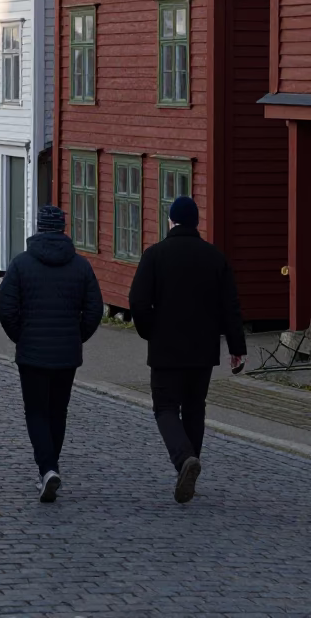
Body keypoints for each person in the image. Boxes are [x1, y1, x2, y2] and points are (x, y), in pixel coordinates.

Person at [129, 195, 247, 504]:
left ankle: (184, 461)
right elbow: (230, 307)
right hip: (203, 350)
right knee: (195, 407)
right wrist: (237, 348)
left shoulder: (155, 255)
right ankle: (190, 463)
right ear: (196, 223)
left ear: (171, 221)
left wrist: (149, 330)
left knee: (166, 407)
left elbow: (138, 301)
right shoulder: (215, 258)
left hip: (166, 349)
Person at [0, 205, 103, 503]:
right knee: (58, 411)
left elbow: (6, 308)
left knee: (36, 412)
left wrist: (21, 336)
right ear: (63, 228)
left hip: (32, 353)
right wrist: (77, 335)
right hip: (66, 354)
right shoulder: (81, 266)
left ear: (39, 227)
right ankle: (50, 467)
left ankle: (47, 468)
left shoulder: (20, 264)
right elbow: (94, 308)